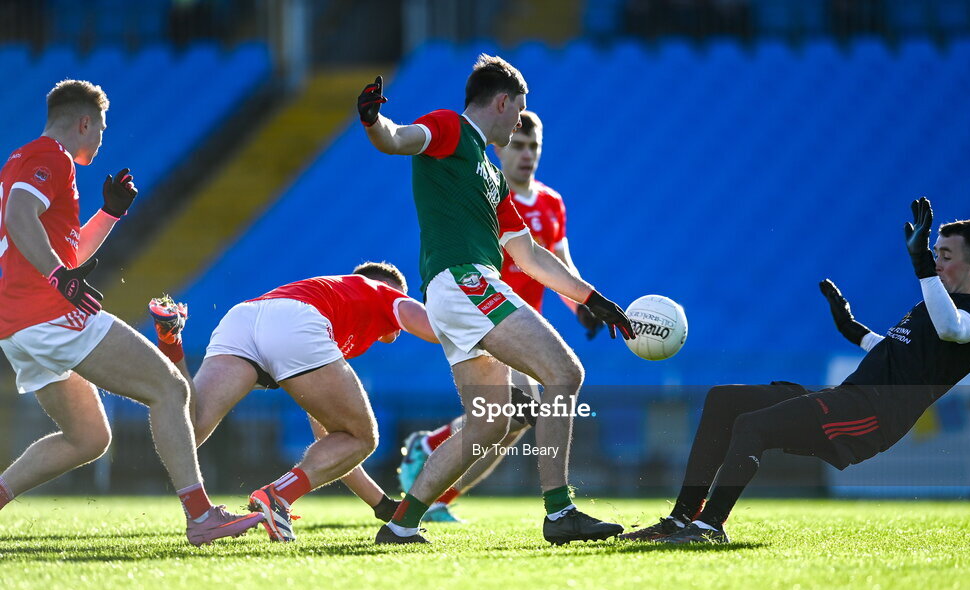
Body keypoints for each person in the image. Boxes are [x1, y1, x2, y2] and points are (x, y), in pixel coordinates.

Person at [358, 55, 635, 545]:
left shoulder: (490, 170)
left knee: (491, 424)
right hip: (465, 281)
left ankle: (401, 524)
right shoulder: (449, 127)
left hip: (457, 290)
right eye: (519, 109)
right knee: (565, 373)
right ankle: (559, 512)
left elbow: (528, 254)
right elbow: (396, 139)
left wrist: (591, 298)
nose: (520, 121)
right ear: (502, 102)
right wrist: (372, 119)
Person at [623, 198, 970, 544]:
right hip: (848, 398)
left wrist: (920, 267)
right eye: (933, 253)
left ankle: (709, 528)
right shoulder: (935, 305)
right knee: (724, 399)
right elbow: (896, 352)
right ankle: (681, 519)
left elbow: (953, 329)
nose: (935, 261)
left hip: (871, 417)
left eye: (945, 255)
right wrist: (852, 329)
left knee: (752, 426)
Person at [0, 80, 263, 545]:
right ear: (84, 122)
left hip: (18, 324)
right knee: (168, 387)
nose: (101, 138)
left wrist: (109, 213)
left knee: (88, 438)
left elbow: (64, 246)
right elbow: (20, 217)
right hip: (47, 313)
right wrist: (59, 277)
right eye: (100, 127)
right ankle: (202, 516)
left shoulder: (27, 159)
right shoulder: (51, 157)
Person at [397, 109, 605, 523]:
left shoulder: (550, 203)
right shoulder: (481, 188)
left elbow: (557, 262)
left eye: (534, 146)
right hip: (485, 309)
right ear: (500, 146)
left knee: (503, 420)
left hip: (513, 318)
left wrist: (581, 305)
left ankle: (427, 497)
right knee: (538, 395)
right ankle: (556, 509)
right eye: (519, 144)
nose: (526, 154)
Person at [149, 262, 439, 542]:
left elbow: (329, 443)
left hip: (242, 318)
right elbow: (434, 329)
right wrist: (480, 328)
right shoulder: (381, 293)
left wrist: (383, 506)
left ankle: (171, 344)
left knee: (189, 430)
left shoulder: (337, 305)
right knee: (363, 437)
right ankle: (277, 497)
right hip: (294, 324)